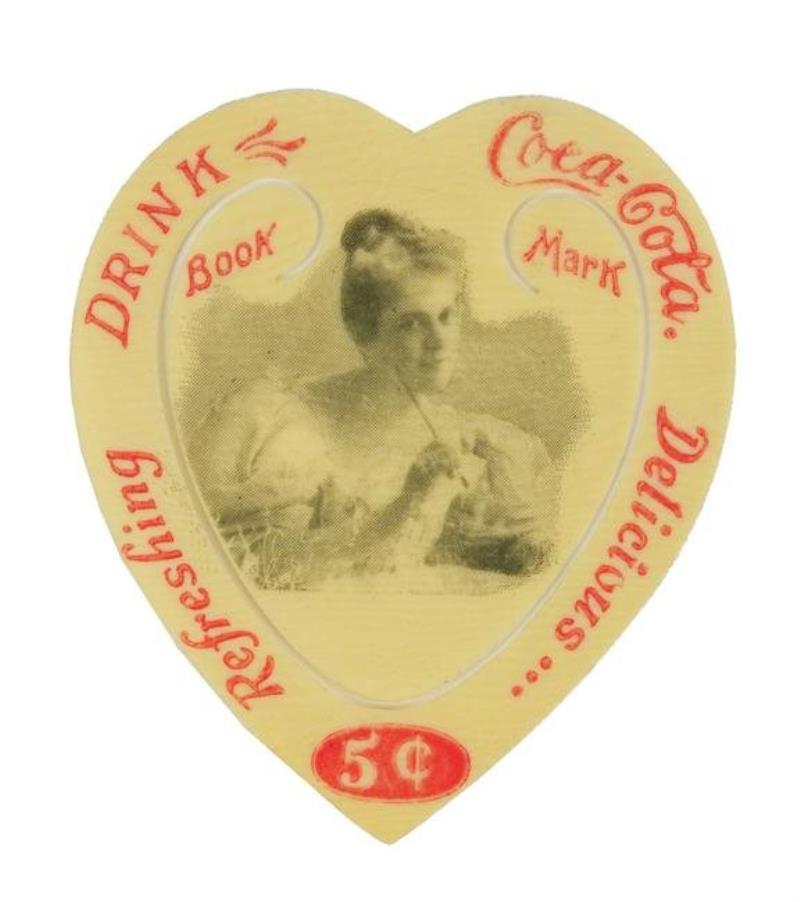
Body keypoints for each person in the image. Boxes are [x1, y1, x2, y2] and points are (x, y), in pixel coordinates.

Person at [188, 208, 557, 590]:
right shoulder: (263, 417)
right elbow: (207, 559)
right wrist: (404, 503)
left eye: (447, 316)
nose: (439, 341)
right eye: (412, 323)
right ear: (364, 331)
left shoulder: (483, 451)